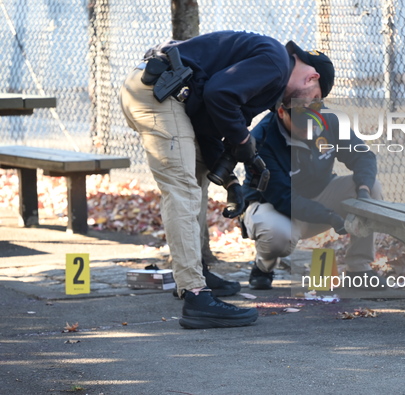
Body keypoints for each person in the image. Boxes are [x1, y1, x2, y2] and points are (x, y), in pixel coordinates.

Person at [119, 30, 335, 329]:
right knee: (182, 189)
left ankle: (195, 274)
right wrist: (243, 139)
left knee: (196, 182)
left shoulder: (270, 78)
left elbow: (209, 119)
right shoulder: (276, 63)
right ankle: (196, 295)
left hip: (168, 95)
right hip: (160, 93)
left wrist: (231, 181)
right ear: (312, 79)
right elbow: (220, 95)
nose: (309, 107)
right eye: (315, 99)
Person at [241, 96, 386, 291]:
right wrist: (328, 216)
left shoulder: (330, 119)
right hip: (277, 208)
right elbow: (283, 197)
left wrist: (364, 192)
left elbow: (362, 155)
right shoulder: (262, 138)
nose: (309, 131)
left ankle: (358, 269)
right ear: (282, 112)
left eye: (313, 123)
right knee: (277, 237)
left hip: (319, 194)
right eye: (302, 125)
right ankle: (263, 266)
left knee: (372, 187)